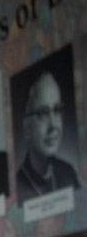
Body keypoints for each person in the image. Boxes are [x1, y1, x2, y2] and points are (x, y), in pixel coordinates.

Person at [16, 70, 81, 202]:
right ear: (27, 127)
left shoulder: (68, 174)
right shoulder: (17, 185)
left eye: (57, 110)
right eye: (43, 113)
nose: (53, 125)